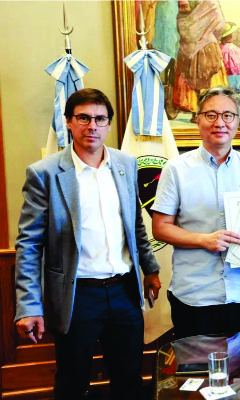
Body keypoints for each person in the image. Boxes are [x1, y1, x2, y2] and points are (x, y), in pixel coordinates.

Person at [14, 88, 162, 399]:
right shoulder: (44, 173)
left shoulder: (126, 164)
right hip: (77, 296)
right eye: (83, 118)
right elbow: (29, 245)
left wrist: (151, 269)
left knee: (129, 380)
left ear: (109, 124)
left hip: (124, 292)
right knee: (72, 382)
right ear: (68, 122)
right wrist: (28, 306)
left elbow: (135, 225)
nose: (92, 126)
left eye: (100, 119)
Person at [152, 87, 240, 338]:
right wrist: (204, 240)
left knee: (235, 362)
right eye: (211, 115)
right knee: (194, 363)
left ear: (237, 121)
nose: (220, 123)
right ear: (198, 119)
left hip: (237, 291)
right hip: (193, 293)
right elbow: (160, 228)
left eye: (228, 115)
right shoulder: (176, 169)